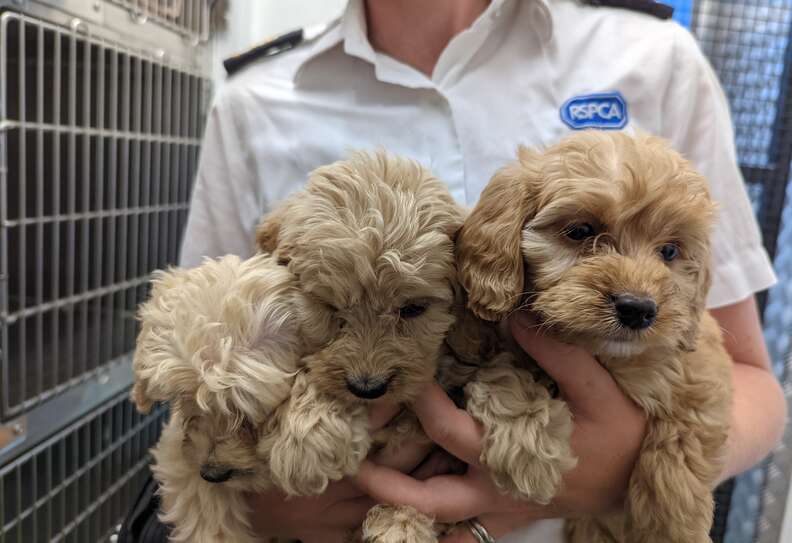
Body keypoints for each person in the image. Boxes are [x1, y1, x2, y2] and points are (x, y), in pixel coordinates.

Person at [124, 1, 788, 542]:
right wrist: (262, 502)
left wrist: (623, 470)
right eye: (582, 232)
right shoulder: (255, 100)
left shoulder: (654, 59)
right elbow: (203, 358)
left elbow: (752, 377)